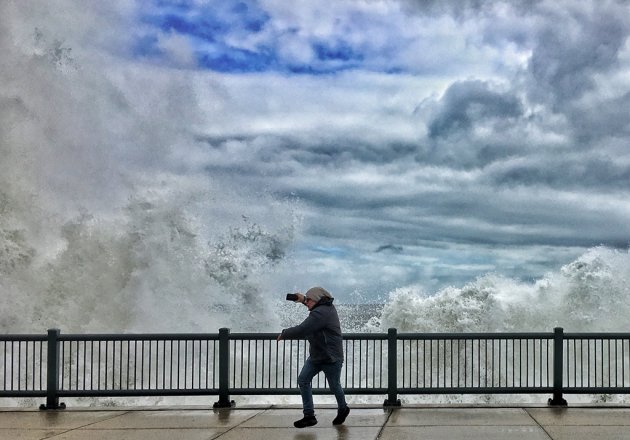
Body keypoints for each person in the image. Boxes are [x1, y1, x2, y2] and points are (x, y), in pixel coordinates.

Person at [277, 287, 350, 428]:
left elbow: (303, 329)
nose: (307, 303)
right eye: (307, 299)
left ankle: (343, 409)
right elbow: (313, 304)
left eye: (309, 300)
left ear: (316, 300)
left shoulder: (322, 313)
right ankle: (309, 416)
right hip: (316, 356)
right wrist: (302, 299)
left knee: (334, 386)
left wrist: (284, 334)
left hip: (331, 357)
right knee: (303, 380)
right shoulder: (322, 307)